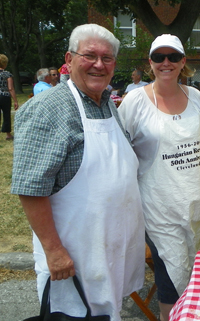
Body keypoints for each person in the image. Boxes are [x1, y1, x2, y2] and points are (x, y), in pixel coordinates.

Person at [11, 24, 145, 320]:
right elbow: (30, 188)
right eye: (90, 56)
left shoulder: (108, 103)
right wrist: (54, 250)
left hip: (107, 249)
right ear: (69, 60)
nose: (99, 64)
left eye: (107, 58)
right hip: (74, 255)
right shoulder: (48, 108)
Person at [118, 34, 200, 321]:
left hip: (199, 207)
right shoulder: (136, 101)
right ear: (150, 63)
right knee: (170, 282)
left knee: (199, 275)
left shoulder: (195, 96)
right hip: (160, 212)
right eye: (159, 57)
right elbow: (121, 155)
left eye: (173, 56)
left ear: (184, 62)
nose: (166, 62)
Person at [0, 54, 19, 140]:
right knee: (6, 114)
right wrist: (15, 100)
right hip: (5, 96)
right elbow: (10, 88)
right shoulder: (7, 74)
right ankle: (8, 134)